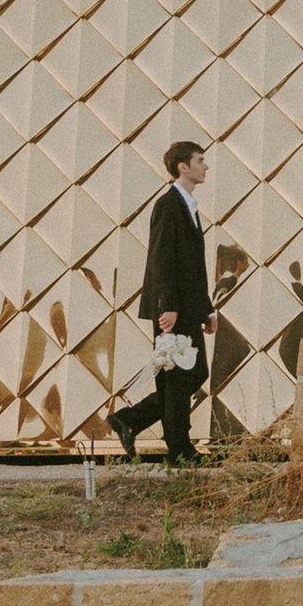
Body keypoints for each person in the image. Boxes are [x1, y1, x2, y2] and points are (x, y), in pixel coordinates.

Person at [109, 138, 219, 464]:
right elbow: (162, 259)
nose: (205, 165)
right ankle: (180, 450)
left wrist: (206, 309)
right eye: (200, 160)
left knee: (192, 374)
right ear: (183, 167)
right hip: (173, 310)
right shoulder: (168, 205)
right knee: (177, 377)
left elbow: (193, 267)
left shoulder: (189, 206)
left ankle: (129, 421)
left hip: (187, 308)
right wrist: (166, 305)